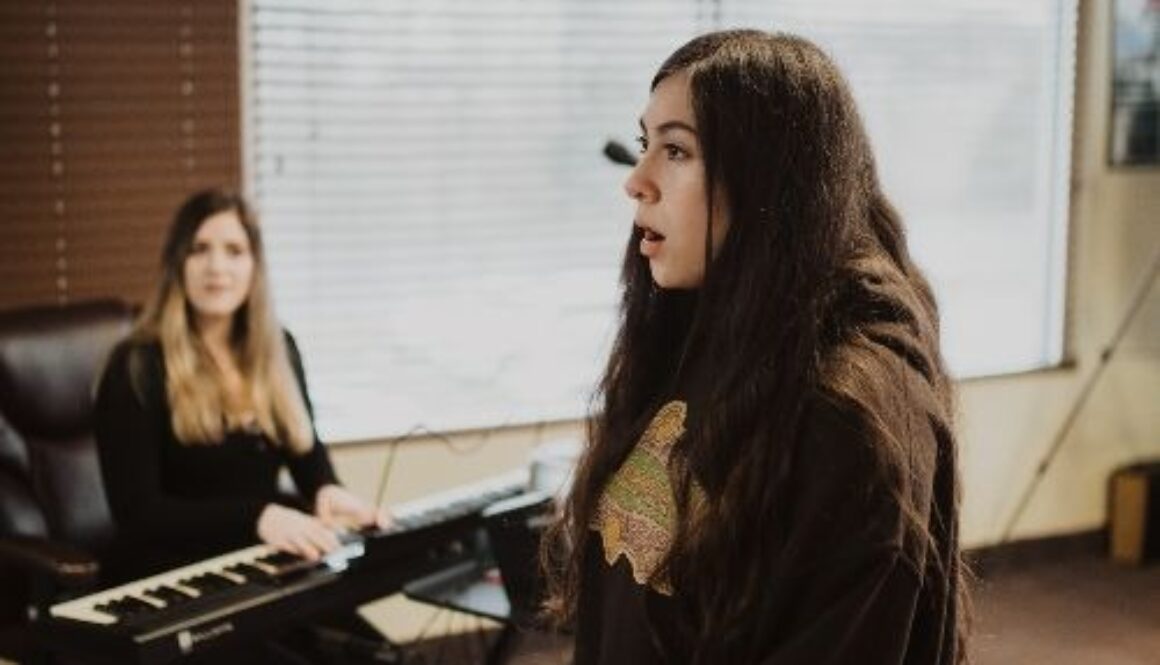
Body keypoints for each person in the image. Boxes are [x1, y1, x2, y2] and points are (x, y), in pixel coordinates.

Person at [541, 30, 969, 664]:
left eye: (677, 151)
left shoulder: (847, 413)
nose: (637, 180)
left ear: (770, 179)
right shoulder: (705, 330)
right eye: (644, 145)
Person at [94, 188, 388, 659]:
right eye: (200, 249)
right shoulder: (135, 365)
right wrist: (258, 516)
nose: (217, 267)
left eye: (235, 251)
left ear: (255, 266)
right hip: (165, 579)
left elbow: (309, 462)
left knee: (380, 655)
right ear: (177, 265)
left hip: (257, 565)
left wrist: (329, 491)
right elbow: (138, 514)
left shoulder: (279, 349)